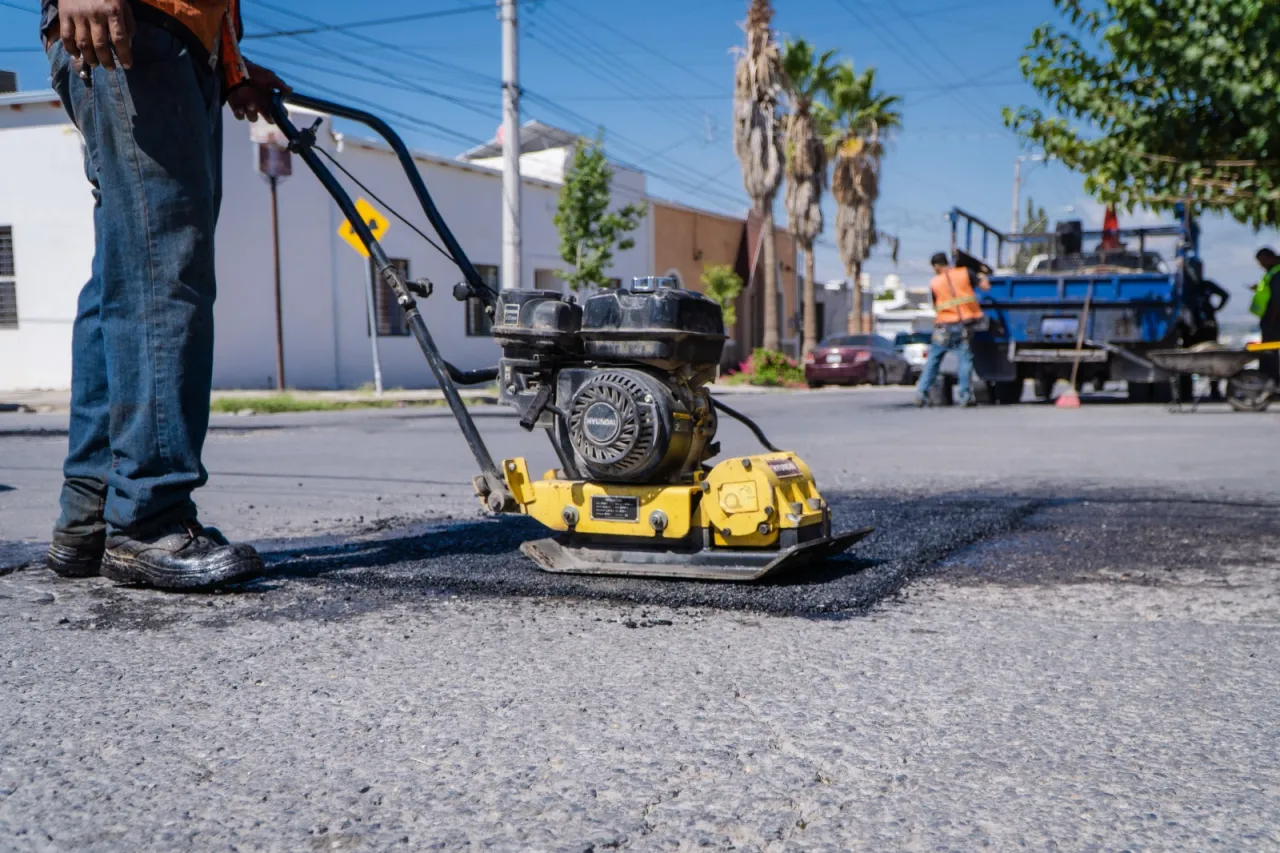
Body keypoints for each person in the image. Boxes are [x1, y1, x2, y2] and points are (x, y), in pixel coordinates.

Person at [41, 0, 290, 590]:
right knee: (163, 271)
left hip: (176, 45)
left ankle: (92, 518)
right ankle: (148, 518)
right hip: (130, 27)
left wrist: (230, 67)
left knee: (127, 274)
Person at [915, 252, 991, 407]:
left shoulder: (935, 282)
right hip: (963, 325)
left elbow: (936, 306)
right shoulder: (964, 273)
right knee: (964, 361)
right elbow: (985, 287)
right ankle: (965, 397)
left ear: (936, 266)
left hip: (943, 326)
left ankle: (921, 394)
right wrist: (982, 275)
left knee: (933, 361)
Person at [1252, 247, 1280, 382]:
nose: (1261, 265)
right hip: (1271, 320)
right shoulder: (1272, 273)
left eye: (1261, 261)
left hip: (1274, 321)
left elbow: (1277, 299)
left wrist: (1272, 319)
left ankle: (1270, 381)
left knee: (1270, 352)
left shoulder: (1277, 273)